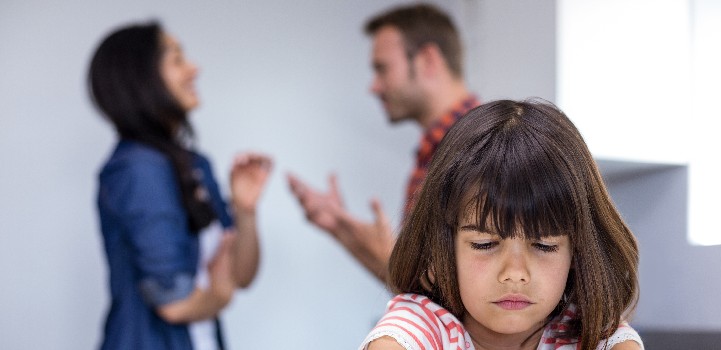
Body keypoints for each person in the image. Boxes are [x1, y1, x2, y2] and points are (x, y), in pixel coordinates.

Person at [359, 99, 644, 350]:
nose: (515, 274)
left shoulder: (601, 338)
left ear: (577, 251)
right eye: (485, 244)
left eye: (544, 245)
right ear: (443, 246)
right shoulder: (411, 335)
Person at [88, 21, 272, 349]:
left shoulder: (194, 165)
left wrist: (245, 211)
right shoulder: (136, 169)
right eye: (176, 60)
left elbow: (242, 274)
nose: (194, 68)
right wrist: (220, 293)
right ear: (141, 79)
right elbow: (176, 304)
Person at [287, 3, 480, 282]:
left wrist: (383, 253)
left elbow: (460, 298)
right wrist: (343, 231)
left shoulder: (480, 150)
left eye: (382, 69)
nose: (373, 86)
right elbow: (417, 292)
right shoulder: (438, 150)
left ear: (427, 60)